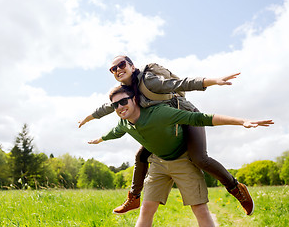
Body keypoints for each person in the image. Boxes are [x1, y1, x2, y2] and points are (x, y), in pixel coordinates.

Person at [79, 55, 253, 215]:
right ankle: (133, 197)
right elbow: (109, 106)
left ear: (132, 66)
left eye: (121, 65)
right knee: (141, 155)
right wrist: (88, 118)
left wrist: (213, 81)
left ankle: (236, 187)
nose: (117, 70)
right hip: (166, 123)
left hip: (185, 115)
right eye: (113, 69)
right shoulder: (126, 91)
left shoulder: (149, 82)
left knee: (200, 159)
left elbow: (180, 84)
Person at [88, 85, 273, 227]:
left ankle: (236, 188)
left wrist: (242, 121)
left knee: (200, 209)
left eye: (123, 101)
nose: (120, 107)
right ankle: (132, 197)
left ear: (134, 99)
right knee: (146, 210)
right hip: (158, 163)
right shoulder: (124, 124)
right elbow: (115, 131)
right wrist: (100, 139)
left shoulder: (159, 113)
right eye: (115, 105)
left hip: (184, 159)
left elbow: (200, 118)